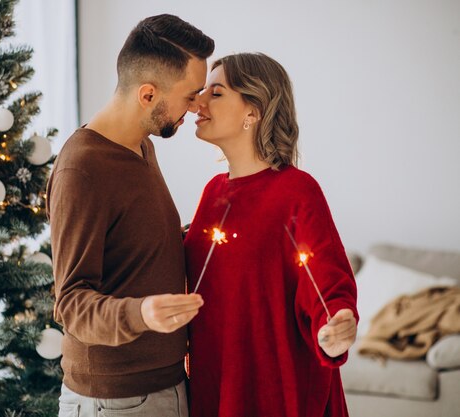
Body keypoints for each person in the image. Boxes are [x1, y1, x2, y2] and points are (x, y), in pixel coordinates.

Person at [46, 14, 214, 417]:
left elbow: (135, 244)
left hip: (163, 385)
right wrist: (141, 313)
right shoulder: (82, 169)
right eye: (190, 95)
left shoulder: (141, 146)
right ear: (148, 95)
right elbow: (70, 302)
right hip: (117, 400)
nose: (195, 107)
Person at [185, 53, 358, 417]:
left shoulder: (297, 191)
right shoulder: (212, 193)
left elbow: (326, 280)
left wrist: (337, 322)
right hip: (213, 386)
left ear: (254, 110)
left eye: (215, 93)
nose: (196, 102)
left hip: (276, 391)